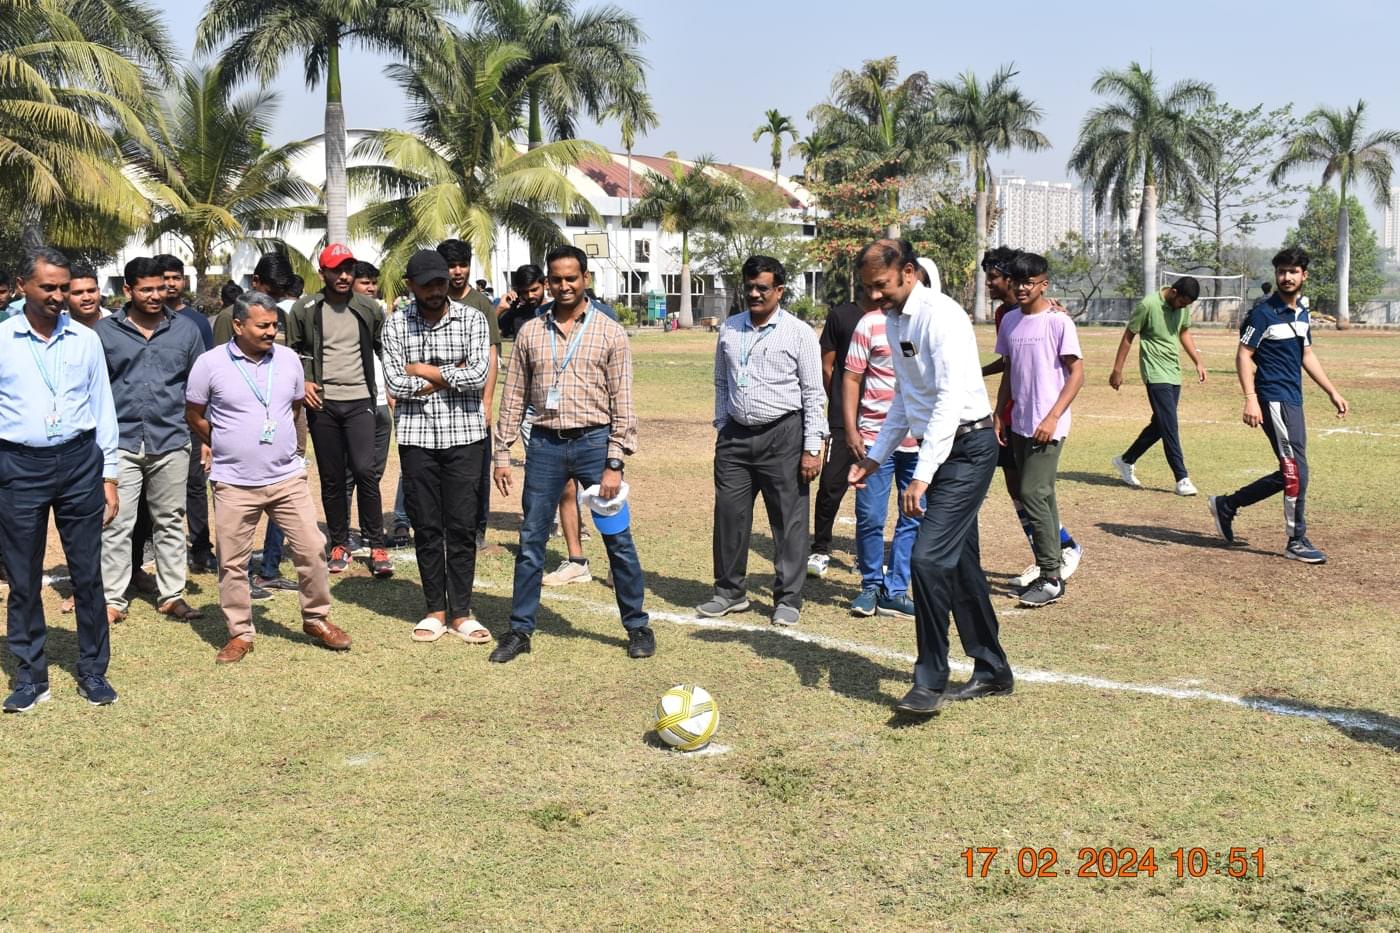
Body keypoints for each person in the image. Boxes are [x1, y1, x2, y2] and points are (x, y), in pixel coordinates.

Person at [849, 238, 1013, 717]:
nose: (875, 297)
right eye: (868, 289)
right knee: (958, 564)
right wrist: (877, 457)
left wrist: (920, 476)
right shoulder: (896, 320)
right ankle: (993, 668)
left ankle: (930, 680)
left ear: (909, 272)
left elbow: (945, 401)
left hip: (967, 448)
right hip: (940, 449)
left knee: (925, 559)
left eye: (881, 286)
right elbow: (907, 398)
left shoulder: (941, 317)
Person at [492, 244, 652, 663]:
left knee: (618, 540)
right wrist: (502, 451)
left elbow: (624, 403)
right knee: (530, 541)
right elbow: (513, 397)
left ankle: (637, 625)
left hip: (596, 446)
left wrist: (615, 460)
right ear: (547, 282)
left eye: (571, 278)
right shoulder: (529, 331)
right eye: (556, 279)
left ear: (585, 279)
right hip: (544, 445)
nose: (564, 286)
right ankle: (519, 631)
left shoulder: (609, 331)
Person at [186, 291, 351, 663]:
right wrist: (225, 442)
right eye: (263, 326)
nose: (271, 332)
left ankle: (316, 618)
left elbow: (294, 408)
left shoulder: (289, 360)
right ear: (239, 325)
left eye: (275, 325)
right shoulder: (210, 364)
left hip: (286, 478)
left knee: (311, 548)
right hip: (234, 481)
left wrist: (281, 445)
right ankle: (240, 633)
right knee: (232, 561)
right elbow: (194, 412)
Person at [1, 247, 121, 711]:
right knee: (24, 578)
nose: (57, 296)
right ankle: (31, 677)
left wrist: (108, 474)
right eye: (47, 287)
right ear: (22, 286)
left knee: (88, 574)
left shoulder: (86, 340)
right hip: (18, 465)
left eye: (63, 288)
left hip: (79, 463)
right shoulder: (3, 339)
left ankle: (93, 671)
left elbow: (103, 410)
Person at [698, 255, 825, 627]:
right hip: (735, 438)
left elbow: (813, 393)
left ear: (780, 290)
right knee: (730, 516)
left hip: (784, 435)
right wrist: (724, 423)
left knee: (788, 520)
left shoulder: (799, 332)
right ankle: (729, 592)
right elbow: (721, 381)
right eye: (749, 287)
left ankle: (788, 597)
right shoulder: (730, 328)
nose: (754, 294)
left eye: (762, 288)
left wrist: (812, 447)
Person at [1208, 247, 1348, 563]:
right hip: (1273, 399)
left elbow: (1306, 355)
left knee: (1294, 470)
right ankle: (1296, 539)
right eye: (1282, 271)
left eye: (1293, 272)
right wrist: (1250, 400)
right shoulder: (1263, 313)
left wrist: (1331, 391)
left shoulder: (1301, 314)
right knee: (1296, 470)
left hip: (1294, 400)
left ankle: (1228, 505)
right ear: (1276, 275)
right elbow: (1244, 354)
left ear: (1304, 275)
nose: (1286, 277)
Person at [383, 250, 492, 644]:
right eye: (426, 284)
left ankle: (462, 613)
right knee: (427, 527)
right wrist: (452, 373)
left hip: (465, 437)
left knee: (462, 527)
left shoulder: (473, 319)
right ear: (410, 285)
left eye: (440, 282)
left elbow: (479, 374)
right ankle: (435, 610)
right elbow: (394, 385)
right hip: (417, 439)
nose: (435, 290)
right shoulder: (396, 325)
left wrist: (423, 371)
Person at [96, 257, 207, 625]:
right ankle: (113, 599)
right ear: (127, 290)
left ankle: (172, 595)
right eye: (147, 289)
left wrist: (205, 437)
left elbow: (199, 389)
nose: (157, 295)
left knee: (171, 521)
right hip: (121, 442)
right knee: (116, 522)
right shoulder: (104, 332)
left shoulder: (186, 331)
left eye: (161, 287)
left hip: (172, 439)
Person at [286, 243, 391, 577]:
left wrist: (391, 389)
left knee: (365, 470)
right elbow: (293, 352)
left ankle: (376, 543)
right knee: (332, 478)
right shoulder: (305, 308)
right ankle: (340, 542)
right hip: (323, 405)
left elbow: (383, 347)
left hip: (361, 400)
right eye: (336, 270)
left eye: (348, 269)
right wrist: (304, 382)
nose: (344, 275)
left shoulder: (369, 308)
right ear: (323, 273)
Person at [980, 247, 1082, 589]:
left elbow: (1076, 373)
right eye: (1018, 282)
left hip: (1046, 423)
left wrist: (1053, 417)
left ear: (1042, 285)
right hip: (1017, 419)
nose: (1022, 288)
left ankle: (1052, 571)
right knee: (1035, 492)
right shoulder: (1008, 318)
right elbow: (1010, 368)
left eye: (1030, 282)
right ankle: (1052, 556)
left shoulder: (1056, 320)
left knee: (1030, 491)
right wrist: (999, 412)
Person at [841, 285, 920, 618]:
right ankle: (871, 586)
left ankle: (896, 590)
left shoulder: (923, 323)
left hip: (918, 441)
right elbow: (851, 378)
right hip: (874, 440)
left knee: (912, 518)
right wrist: (850, 429)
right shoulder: (869, 324)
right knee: (870, 517)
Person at [1109, 277, 1207, 495]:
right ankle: (1182, 478)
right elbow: (1129, 336)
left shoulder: (1182, 306)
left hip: (1174, 371)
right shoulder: (1148, 305)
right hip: (1154, 371)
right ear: (1173, 292)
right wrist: (1117, 370)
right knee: (1170, 425)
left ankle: (1126, 460)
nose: (1183, 307)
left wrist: (1198, 361)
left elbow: (1183, 332)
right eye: (1182, 302)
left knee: (1161, 424)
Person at [152, 254, 218, 576]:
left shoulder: (197, 322)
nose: (170, 283)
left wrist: (206, 433)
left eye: (175, 277)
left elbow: (205, 376)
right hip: (155, 419)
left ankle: (202, 548)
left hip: (190, 416)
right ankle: (155, 549)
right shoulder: (147, 320)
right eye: (164, 277)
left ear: (183, 281)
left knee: (195, 484)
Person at [437, 239, 502, 553]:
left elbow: (492, 359)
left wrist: (487, 401)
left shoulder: (482, 304)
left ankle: (477, 530)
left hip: (473, 402)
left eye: (463, 264)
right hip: (437, 402)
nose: (458, 271)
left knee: (476, 472)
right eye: (451, 265)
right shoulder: (432, 301)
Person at [806, 285, 864, 579]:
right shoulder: (841, 315)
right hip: (843, 418)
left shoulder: (892, 315)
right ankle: (820, 548)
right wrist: (843, 405)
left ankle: (866, 554)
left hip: (882, 419)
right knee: (831, 484)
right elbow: (827, 366)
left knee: (872, 494)